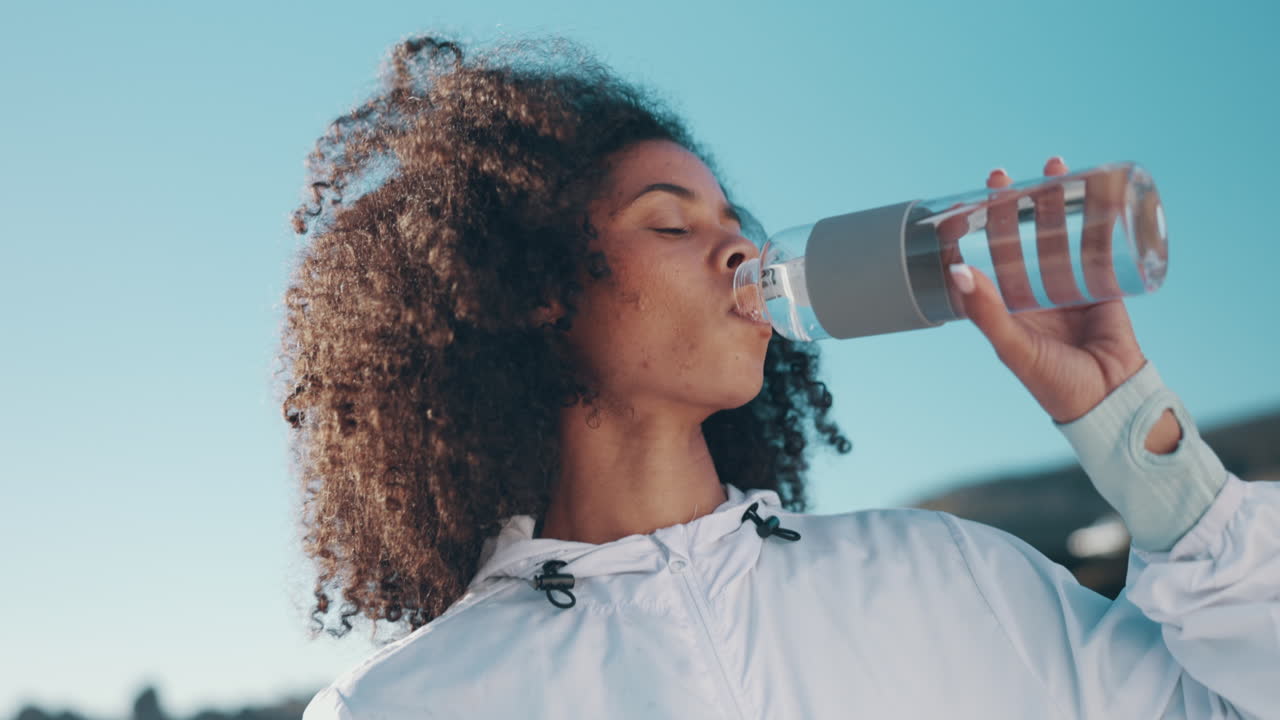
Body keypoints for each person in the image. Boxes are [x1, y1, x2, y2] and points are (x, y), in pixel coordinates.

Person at [278, 35, 1279, 720]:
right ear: (536, 288)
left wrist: (1135, 436)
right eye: (671, 224)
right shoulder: (409, 705)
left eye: (736, 227)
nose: (734, 253)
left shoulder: (945, 579)